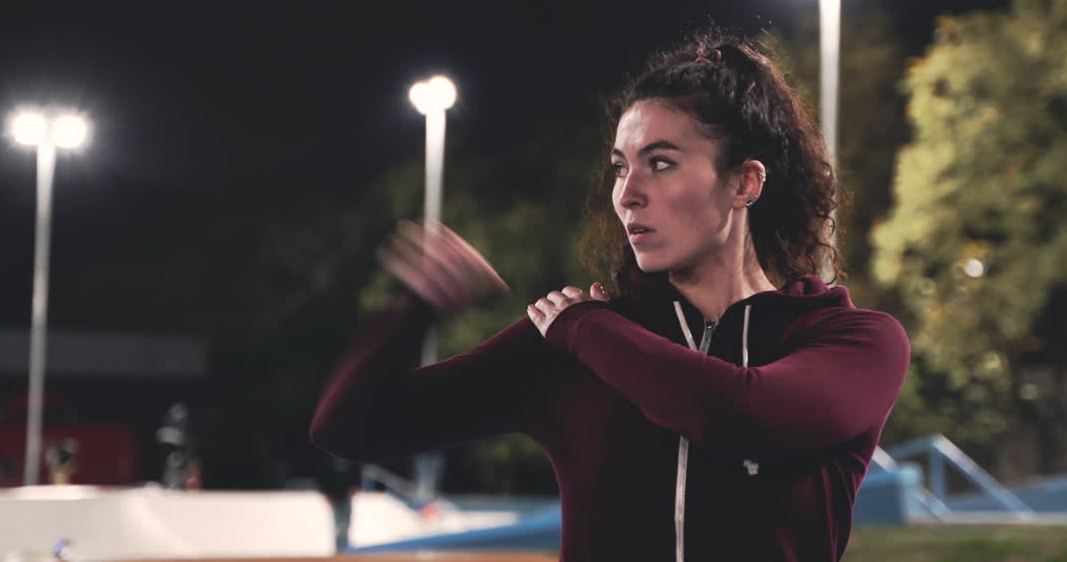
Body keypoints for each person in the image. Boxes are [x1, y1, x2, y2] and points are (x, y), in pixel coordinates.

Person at [310, 32, 910, 562]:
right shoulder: (573, 346)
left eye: (662, 163)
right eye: (622, 168)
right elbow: (351, 429)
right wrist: (412, 312)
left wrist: (586, 333)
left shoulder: (851, 340)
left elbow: (742, 416)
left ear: (744, 182)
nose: (628, 194)